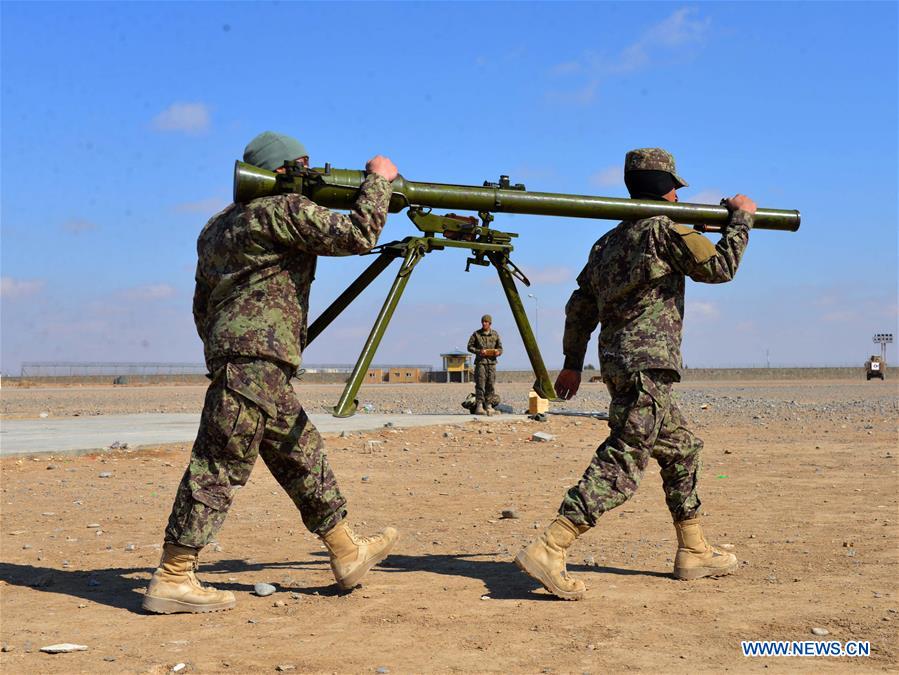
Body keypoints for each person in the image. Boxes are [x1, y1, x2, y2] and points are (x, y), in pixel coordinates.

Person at [143, 131, 400, 614]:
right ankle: (174, 575)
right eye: (301, 165)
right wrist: (378, 182)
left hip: (244, 359)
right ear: (283, 171)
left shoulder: (216, 226)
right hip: (256, 360)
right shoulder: (281, 210)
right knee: (219, 462)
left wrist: (225, 352)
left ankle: (346, 552)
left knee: (301, 451)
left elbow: (202, 304)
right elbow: (357, 235)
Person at [514, 148, 757, 600]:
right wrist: (741, 220)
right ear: (667, 188)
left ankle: (694, 549)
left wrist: (571, 362)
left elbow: (580, 306)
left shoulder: (608, 243)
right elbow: (720, 268)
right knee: (625, 456)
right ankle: (552, 544)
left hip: (619, 364)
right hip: (650, 365)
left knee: (682, 449)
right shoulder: (665, 229)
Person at [467, 314, 503, 415]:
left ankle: (489, 405)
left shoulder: (495, 334)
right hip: (480, 363)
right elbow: (469, 347)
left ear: (490, 323)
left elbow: (500, 348)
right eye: (483, 322)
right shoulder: (476, 334)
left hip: (491, 364)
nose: (484, 323)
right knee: (480, 384)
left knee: (490, 384)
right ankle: (479, 406)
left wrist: (498, 352)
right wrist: (479, 351)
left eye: (486, 322)